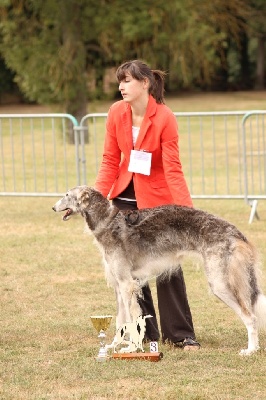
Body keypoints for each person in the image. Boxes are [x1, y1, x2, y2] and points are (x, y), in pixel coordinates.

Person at [94, 59, 200, 350]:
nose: (121, 86)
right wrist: (95, 198)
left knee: (169, 269)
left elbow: (173, 168)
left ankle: (180, 334)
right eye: (120, 81)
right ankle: (144, 330)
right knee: (130, 269)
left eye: (127, 80)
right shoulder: (116, 112)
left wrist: (186, 212)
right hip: (123, 202)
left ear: (145, 84)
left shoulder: (165, 117)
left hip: (158, 205)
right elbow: (110, 161)